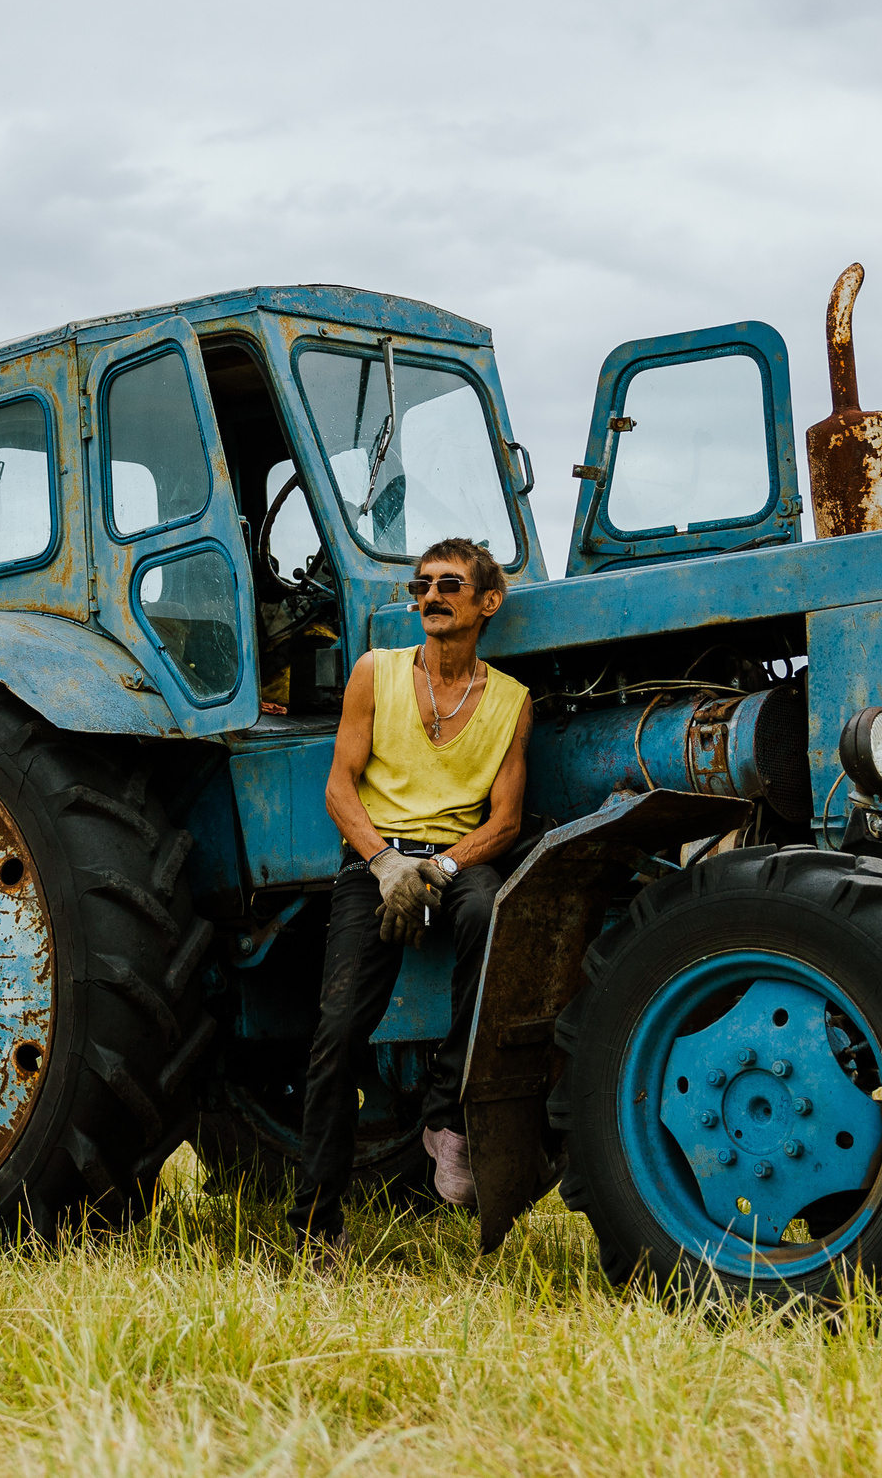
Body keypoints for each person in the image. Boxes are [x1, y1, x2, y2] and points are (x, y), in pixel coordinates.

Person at [291, 536, 532, 1258]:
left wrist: (442, 871)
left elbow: (507, 821)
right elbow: (340, 787)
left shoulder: (512, 703)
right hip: (377, 860)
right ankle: (315, 1229)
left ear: (488, 602)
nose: (430, 596)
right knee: (334, 1039)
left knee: (491, 912)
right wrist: (386, 863)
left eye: (449, 584)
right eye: (421, 585)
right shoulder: (376, 672)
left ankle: (444, 1111)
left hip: (458, 862)